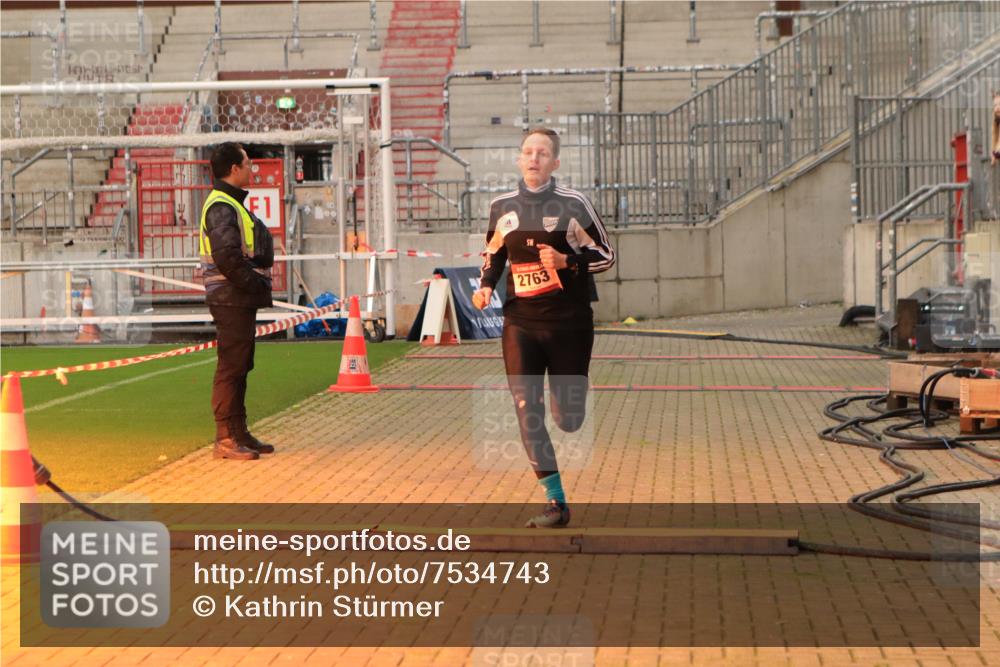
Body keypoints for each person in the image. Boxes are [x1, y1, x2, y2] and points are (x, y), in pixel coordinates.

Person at [472, 127, 616, 528]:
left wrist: (567, 261)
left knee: (567, 418)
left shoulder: (574, 204)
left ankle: (572, 396)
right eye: (528, 152)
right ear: (520, 159)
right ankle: (556, 502)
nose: (533, 158)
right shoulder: (502, 206)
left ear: (555, 162)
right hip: (520, 322)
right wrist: (486, 286)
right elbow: (494, 255)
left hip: (569, 323)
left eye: (542, 153)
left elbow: (606, 255)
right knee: (526, 408)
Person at [199, 142, 275, 460]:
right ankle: (225, 438)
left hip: (235, 297)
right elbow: (228, 258)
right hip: (230, 297)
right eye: (247, 163)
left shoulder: (229, 203)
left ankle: (238, 432)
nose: (251, 169)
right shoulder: (221, 206)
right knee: (231, 366)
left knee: (240, 365)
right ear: (234, 169)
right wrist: (254, 284)